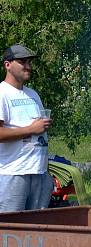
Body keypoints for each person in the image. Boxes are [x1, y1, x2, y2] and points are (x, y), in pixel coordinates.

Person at [0, 44, 52, 213]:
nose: (28, 66)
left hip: (39, 172)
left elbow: (38, 128)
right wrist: (31, 129)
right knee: (12, 229)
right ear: (8, 64)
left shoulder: (33, 94)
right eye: (23, 62)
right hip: (14, 173)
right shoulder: (2, 93)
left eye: (29, 62)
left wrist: (41, 126)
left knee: (37, 230)